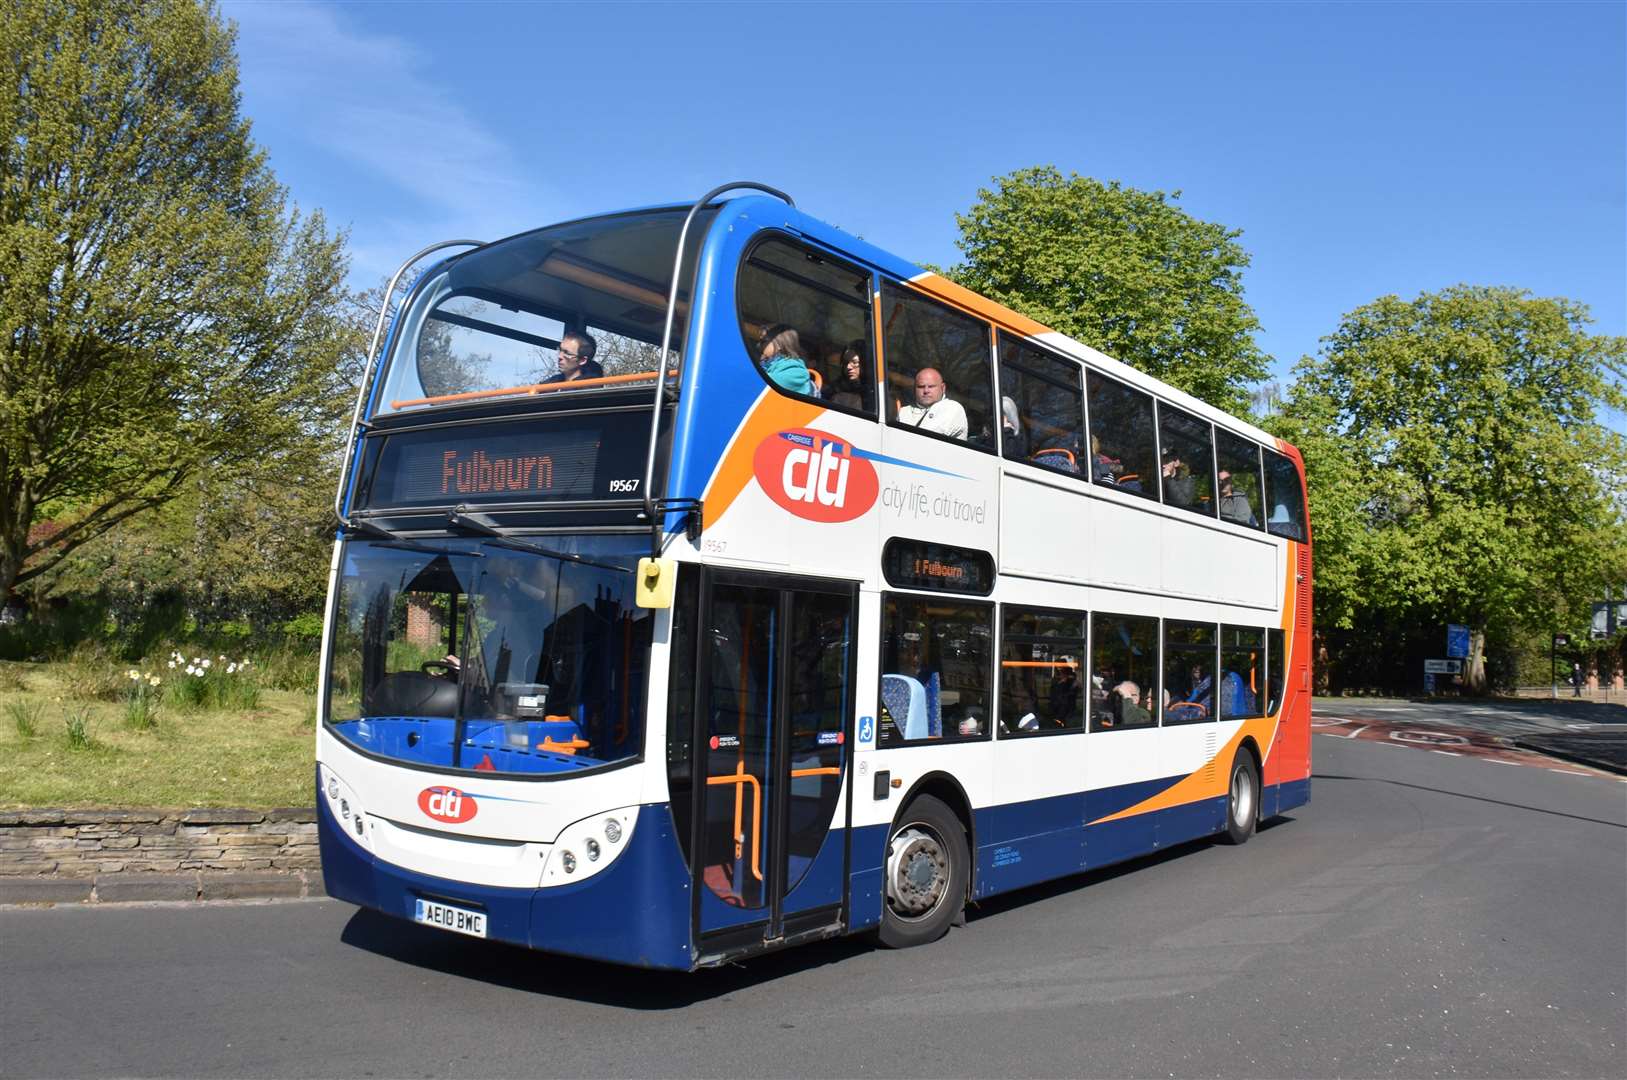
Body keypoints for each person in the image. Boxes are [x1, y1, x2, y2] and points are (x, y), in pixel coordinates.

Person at [896, 366, 968, 440]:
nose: (926, 391)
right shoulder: (902, 412)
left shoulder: (952, 408)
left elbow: (927, 437)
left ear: (943, 388)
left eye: (931, 386)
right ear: (914, 389)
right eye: (921, 387)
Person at [756, 324, 816, 396]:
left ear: (779, 343)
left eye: (763, 341)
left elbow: (760, 387)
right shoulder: (768, 365)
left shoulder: (796, 371)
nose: (758, 345)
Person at [827, 340, 867, 410]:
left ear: (865, 363)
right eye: (845, 362)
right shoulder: (834, 388)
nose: (848, 367)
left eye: (854, 362)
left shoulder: (876, 393)